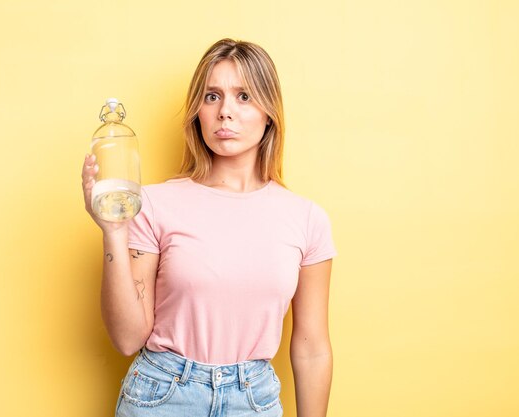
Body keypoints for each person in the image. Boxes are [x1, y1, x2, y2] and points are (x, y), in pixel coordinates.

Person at [81, 38, 336, 417]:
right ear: (197, 112)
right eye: (212, 96)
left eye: (244, 96)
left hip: (254, 401)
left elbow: (312, 347)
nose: (225, 112)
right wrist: (114, 232)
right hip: (162, 397)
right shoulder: (153, 203)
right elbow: (126, 337)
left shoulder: (307, 219)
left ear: (269, 113)